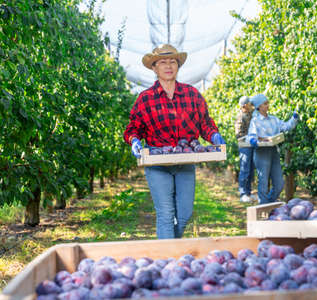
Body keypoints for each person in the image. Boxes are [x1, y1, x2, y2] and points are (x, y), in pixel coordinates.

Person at [123, 44, 226, 239]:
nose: (168, 66)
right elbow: (133, 128)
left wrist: (213, 135)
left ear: (178, 66)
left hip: (185, 161)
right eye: (163, 62)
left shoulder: (191, 94)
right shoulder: (145, 99)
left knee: (185, 214)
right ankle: (167, 260)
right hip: (157, 163)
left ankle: (172, 246)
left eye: (173, 62)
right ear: (154, 68)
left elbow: (205, 123)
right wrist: (134, 140)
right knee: (166, 214)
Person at [246, 94, 299, 204]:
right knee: (263, 183)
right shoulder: (255, 121)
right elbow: (251, 135)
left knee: (279, 183)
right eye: (265, 104)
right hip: (262, 152)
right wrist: (253, 141)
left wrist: (294, 118)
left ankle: (268, 203)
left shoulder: (273, 119)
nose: (267, 106)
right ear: (259, 107)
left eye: (267, 103)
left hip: (273, 151)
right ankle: (264, 208)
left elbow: (286, 127)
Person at [234, 96, 257, 203]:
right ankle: (243, 193)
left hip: (250, 145)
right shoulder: (241, 117)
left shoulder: (250, 114)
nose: (251, 105)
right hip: (244, 146)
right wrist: (248, 137)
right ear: (244, 105)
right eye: (249, 103)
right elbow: (238, 134)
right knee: (245, 169)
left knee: (250, 170)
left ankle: (248, 193)